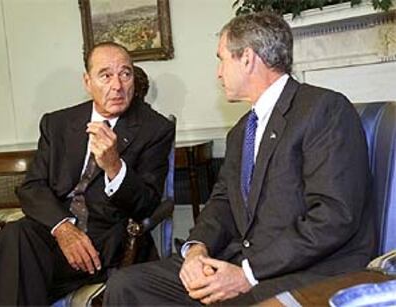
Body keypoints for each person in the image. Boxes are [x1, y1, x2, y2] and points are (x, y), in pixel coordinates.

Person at [103, 12, 374, 306]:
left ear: (247, 58)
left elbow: (334, 216)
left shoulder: (324, 109)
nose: (219, 73)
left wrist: (248, 273)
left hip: (309, 270)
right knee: (127, 284)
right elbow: (222, 202)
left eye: (222, 59)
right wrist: (196, 249)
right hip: (241, 260)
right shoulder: (242, 131)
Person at [0, 42, 175, 305]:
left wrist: (114, 167)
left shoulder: (155, 129)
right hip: (56, 234)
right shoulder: (58, 123)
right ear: (87, 82)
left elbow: (147, 203)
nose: (117, 85)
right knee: (16, 235)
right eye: (106, 75)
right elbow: (32, 187)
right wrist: (63, 228)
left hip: (103, 243)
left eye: (125, 74)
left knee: (12, 274)